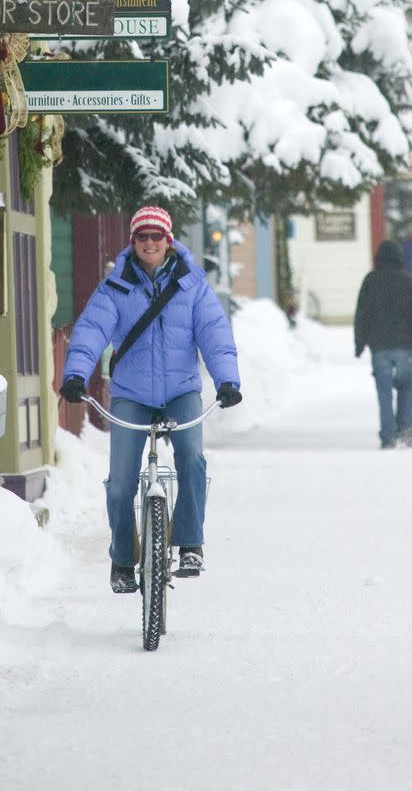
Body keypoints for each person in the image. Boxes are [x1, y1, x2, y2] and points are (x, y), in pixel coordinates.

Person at [59, 205, 242, 593]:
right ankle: (123, 560)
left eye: (156, 236)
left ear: (169, 241)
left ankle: (191, 543)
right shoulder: (117, 286)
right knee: (122, 482)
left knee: (192, 457)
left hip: (180, 392)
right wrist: (75, 375)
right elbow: (91, 331)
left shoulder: (192, 285)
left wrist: (227, 380)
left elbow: (214, 334)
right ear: (133, 242)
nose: (149, 243)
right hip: (132, 394)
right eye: (141, 236)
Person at [354, 240, 412, 448]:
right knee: (407, 387)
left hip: (379, 346)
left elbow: (362, 314)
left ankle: (388, 436)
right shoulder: (409, 281)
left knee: (384, 392)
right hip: (404, 345)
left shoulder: (371, 281)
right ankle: (407, 429)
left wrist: (359, 343)